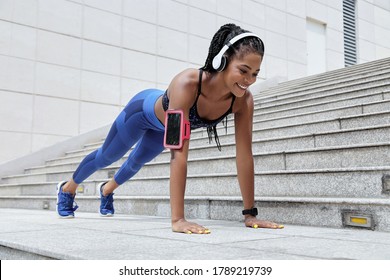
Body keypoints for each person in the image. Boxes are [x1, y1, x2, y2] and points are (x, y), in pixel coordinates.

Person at [56, 23, 284, 234]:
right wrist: (178, 219)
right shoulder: (187, 84)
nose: (249, 80)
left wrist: (249, 214)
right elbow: (179, 154)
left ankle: (106, 190)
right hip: (141, 113)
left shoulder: (243, 100)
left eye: (255, 74)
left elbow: (244, 155)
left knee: (136, 162)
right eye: (243, 70)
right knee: (107, 157)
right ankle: (67, 188)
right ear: (221, 61)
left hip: (161, 126)